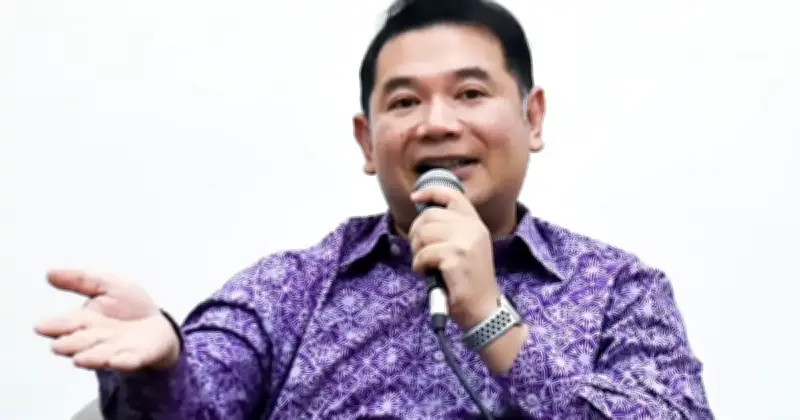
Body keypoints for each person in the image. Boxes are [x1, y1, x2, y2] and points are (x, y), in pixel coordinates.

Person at [34, 0, 713, 418]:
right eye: (405, 102)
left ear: (532, 118)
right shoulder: (296, 287)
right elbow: (203, 397)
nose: (437, 124)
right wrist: (164, 363)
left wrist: (490, 318)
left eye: (471, 94)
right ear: (367, 141)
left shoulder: (621, 289)